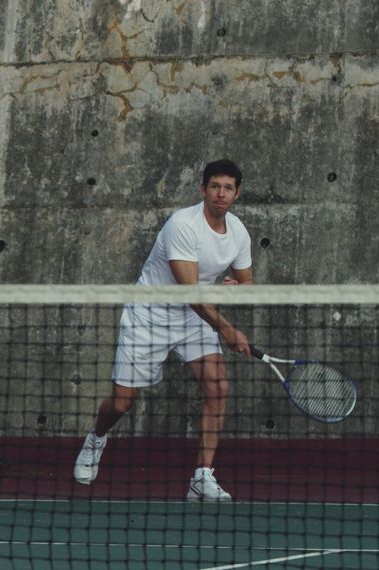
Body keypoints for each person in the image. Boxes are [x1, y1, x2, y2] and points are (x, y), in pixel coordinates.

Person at [73, 158, 253, 502]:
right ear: (203, 188)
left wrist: (234, 288)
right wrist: (229, 330)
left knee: (218, 387)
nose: (220, 193)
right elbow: (189, 292)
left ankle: (202, 477)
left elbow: (247, 282)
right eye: (214, 186)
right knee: (122, 404)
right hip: (150, 315)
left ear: (236, 193)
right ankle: (97, 438)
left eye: (228, 188)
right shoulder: (182, 225)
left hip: (193, 319)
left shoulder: (238, 233)